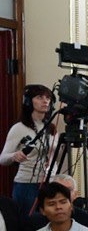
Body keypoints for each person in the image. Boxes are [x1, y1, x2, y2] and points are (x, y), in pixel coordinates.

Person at [3, 84, 58, 214]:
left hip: (49, 183)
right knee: (28, 225)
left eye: (48, 98)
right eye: (40, 97)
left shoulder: (52, 128)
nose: (45, 101)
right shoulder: (19, 128)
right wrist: (14, 156)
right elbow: (2, 158)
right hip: (27, 185)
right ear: (28, 102)